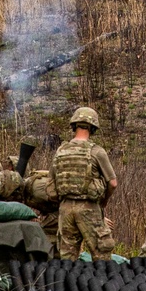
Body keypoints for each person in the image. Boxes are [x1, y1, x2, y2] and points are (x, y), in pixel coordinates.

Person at [52, 106, 117, 261]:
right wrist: (103, 203)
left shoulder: (61, 151)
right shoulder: (96, 151)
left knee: (67, 256)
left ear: (74, 125)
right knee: (101, 253)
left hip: (65, 208)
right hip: (89, 207)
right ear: (93, 127)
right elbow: (113, 183)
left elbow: (52, 182)